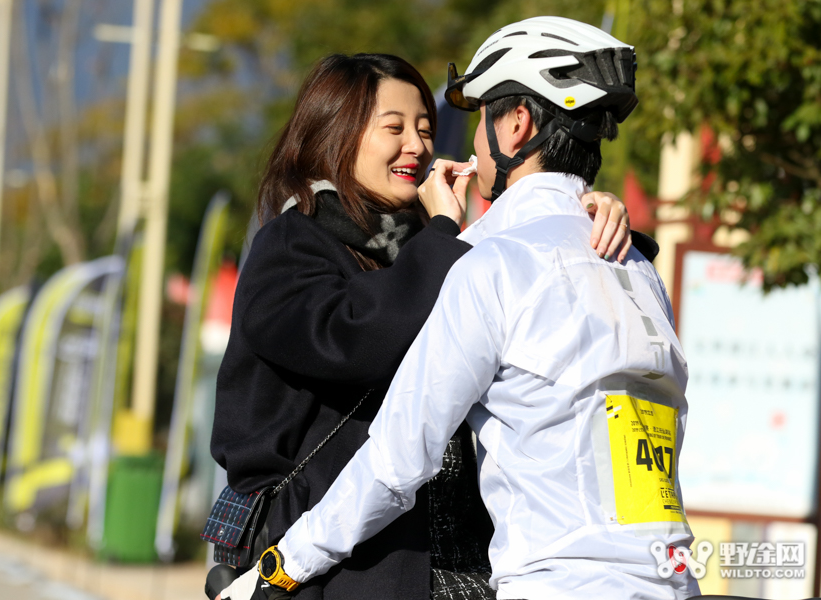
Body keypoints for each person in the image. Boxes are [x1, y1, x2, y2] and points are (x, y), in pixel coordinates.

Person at [260, 17, 701, 600]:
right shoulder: (637, 268)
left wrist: (283, 565)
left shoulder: (489, 265)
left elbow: (397, 461)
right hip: (671, 580)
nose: (445, 146)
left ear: (515, 125)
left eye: (480, 118)